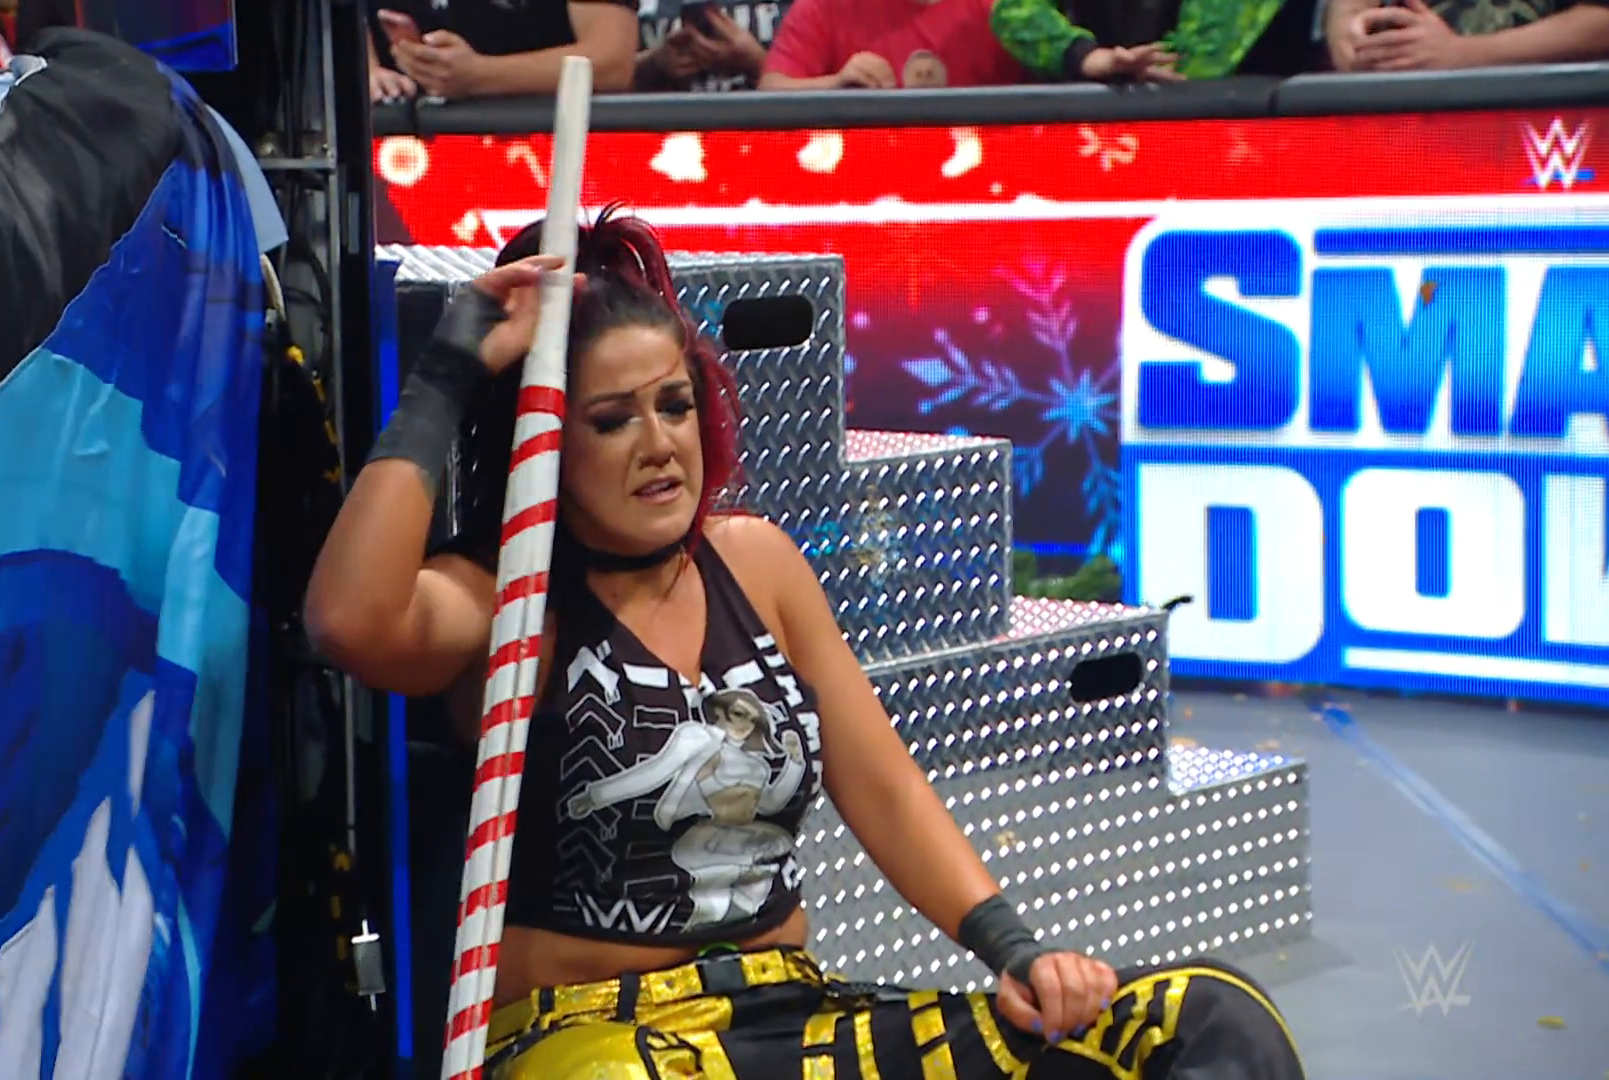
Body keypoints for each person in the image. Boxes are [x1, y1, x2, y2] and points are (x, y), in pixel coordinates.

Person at [305, 205, 1306, 1079]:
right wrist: (442, 378)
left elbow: (884, 786)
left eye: (675, 404)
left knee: (1202, 1015)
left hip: (793, 1019)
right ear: (545, 445)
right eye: (611, 421)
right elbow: (347, 620)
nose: (660, 444)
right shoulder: (505, 597)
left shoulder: (758, 561)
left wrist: (1016, 951)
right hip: (596, 1041)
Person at [366, 0, 637, 101]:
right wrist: (367, 72)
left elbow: (610, 62)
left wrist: (477, 75)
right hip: (400, 157)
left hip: (552, 145)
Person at [989, 0, 1321, 82]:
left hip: (1246, 143)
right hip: (1103, 139)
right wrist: (1084, 56)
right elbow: (1013, 10)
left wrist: (1135, 70)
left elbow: (1201, 60)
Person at [758, 0, 1027, 89]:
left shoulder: (1006, 10)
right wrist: (836, 86)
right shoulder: (826, 6)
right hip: (860, 179)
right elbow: (771, 90)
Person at [1325, 0, 1609, 70]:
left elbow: (1601, 23)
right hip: (1401, 117)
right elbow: (1346, 17)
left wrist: (1461, 54)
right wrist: (1349, 27)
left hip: (1549, 117)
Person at [635, 0, 786, 92]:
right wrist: (652, 64)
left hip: (763, 127)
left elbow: (799, 85)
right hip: (668, 126)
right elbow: (620, 75)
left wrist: (757, 63)